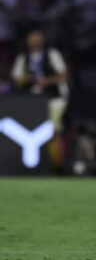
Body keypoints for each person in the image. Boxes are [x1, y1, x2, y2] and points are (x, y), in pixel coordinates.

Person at [11, 28, 69, 170]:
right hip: (33, 101)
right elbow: (16, 80)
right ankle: (37, 164)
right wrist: (26, 79)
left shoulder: (51, 54)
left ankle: (57, 165)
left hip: (54, 98)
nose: (35, 40)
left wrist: (46, 81)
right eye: (32, 37)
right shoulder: (23, 57)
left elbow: (64, 76)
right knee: (33, 130)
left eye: (38, 37)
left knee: (54, 131)